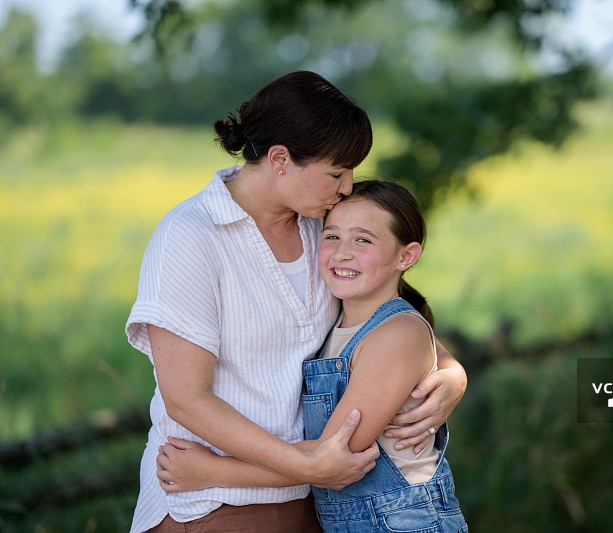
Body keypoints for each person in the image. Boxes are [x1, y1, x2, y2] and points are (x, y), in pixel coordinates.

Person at [125, 71, 467, 532]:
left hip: (317, 500)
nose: (347, 186)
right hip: (213, 501)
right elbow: (187, 400)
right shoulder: (190, 238)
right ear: (281, 159)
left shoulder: (322, 227)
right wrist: (304, 466)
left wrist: (450, 373)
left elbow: (391, 313)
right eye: (335, 172)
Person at [157, 180, 468, 532]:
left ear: (406, 256)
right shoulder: (337, 316)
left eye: (363, 239)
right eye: (332, 236)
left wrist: (213, 471)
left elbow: (331, 457)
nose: (342, 253)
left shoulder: (397, 334)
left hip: (405, 522)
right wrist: (456, 372)